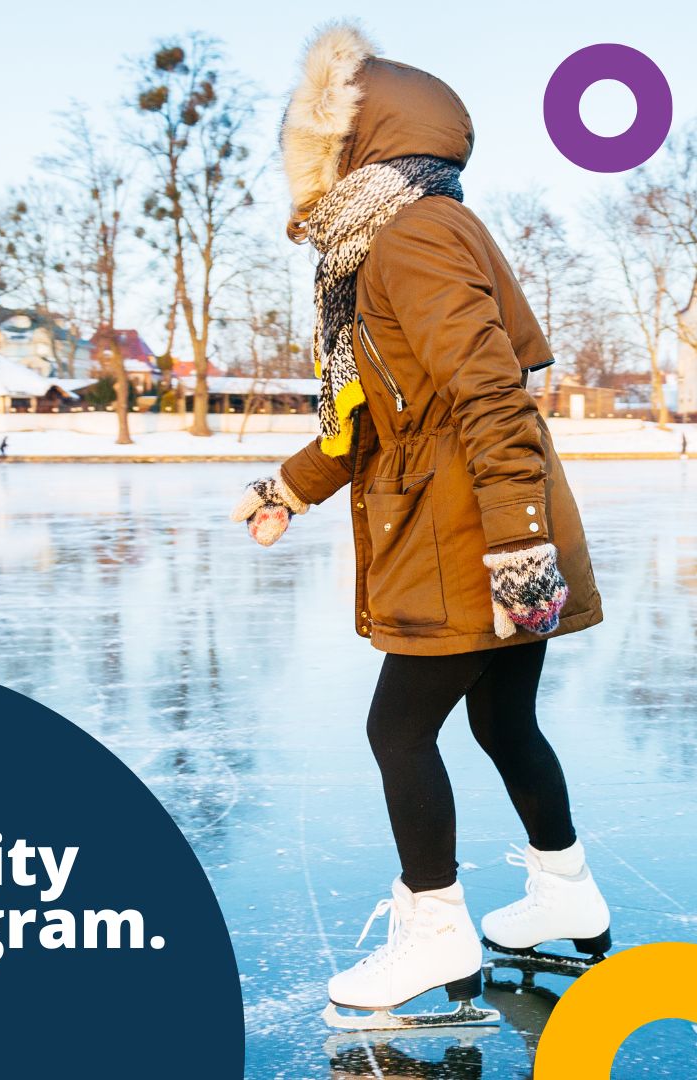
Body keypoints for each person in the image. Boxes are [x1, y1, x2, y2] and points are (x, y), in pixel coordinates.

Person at [231, 22, 610, 1016]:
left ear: (352, 152)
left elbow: (490, 397)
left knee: (398, 730)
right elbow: (372, 421)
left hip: (471, 540)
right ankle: (566, 894)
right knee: (502, 718)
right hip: (479, 526)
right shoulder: (428, 230)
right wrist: (288, 488)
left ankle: (434, 932)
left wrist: (520, 547)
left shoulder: (412, 237)